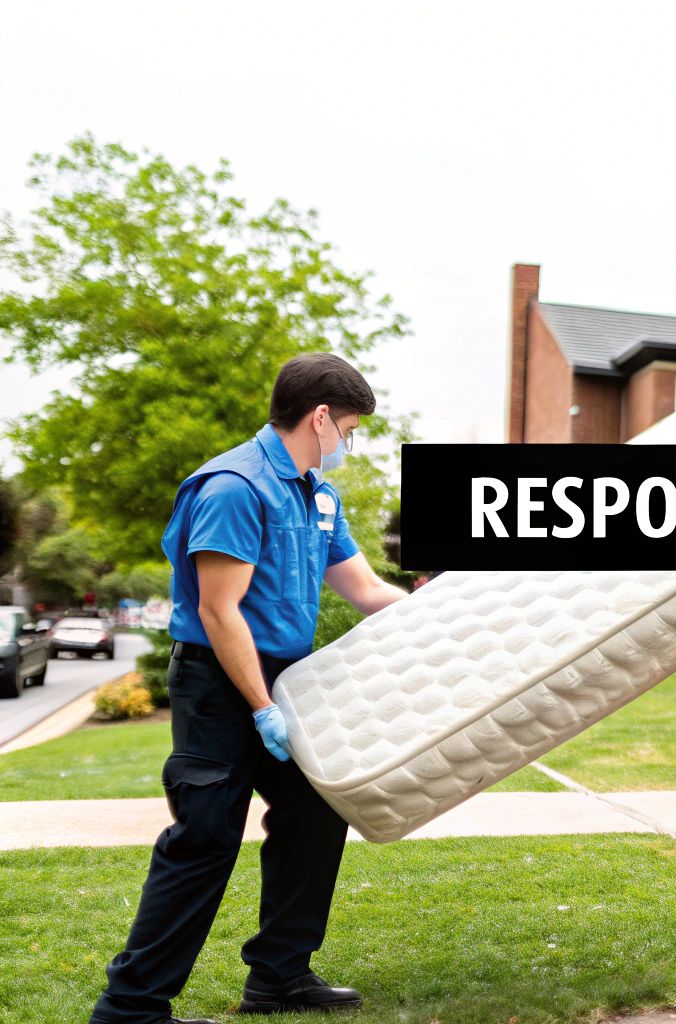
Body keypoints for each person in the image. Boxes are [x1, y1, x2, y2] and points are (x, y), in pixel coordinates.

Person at [91, 353, 411, 1024]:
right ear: (320, 417)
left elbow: (364, 589)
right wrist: (261, 707)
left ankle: (279, 977)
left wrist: (435, 605)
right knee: (205, 838)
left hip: (284, 682)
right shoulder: (234, 486)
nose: (349, 443)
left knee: (317, 812)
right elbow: (219, 610)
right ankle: (131, 1010)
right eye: (349, 429)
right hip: (220, 685)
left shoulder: (318, 494)